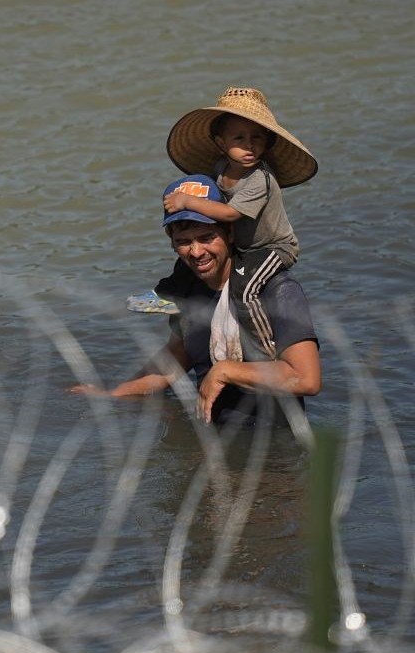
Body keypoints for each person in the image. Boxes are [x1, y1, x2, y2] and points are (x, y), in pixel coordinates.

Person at [72, 174, 320, 428]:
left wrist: (225, 371)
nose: (196, 252)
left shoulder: (276, 289)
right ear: (172, 243)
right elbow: (174, 361)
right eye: (184, 242)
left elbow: (306, 379)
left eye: (206, 237)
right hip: (211, 438)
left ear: (230, 233)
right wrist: (112, 395)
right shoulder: (188, 292)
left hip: (270, 445)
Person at [160, 86, 318, 361]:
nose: (250, 145)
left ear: (267, 142)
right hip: (246, 246)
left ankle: (262, 347)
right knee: (183, 267)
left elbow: (231, 214)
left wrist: (188, 202)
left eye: (257, 138)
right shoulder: (222, 170)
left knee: (245, 289)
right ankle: (164, 294)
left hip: (272, 248)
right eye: (239, 138)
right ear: (221, 144)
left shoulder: (260, 179)